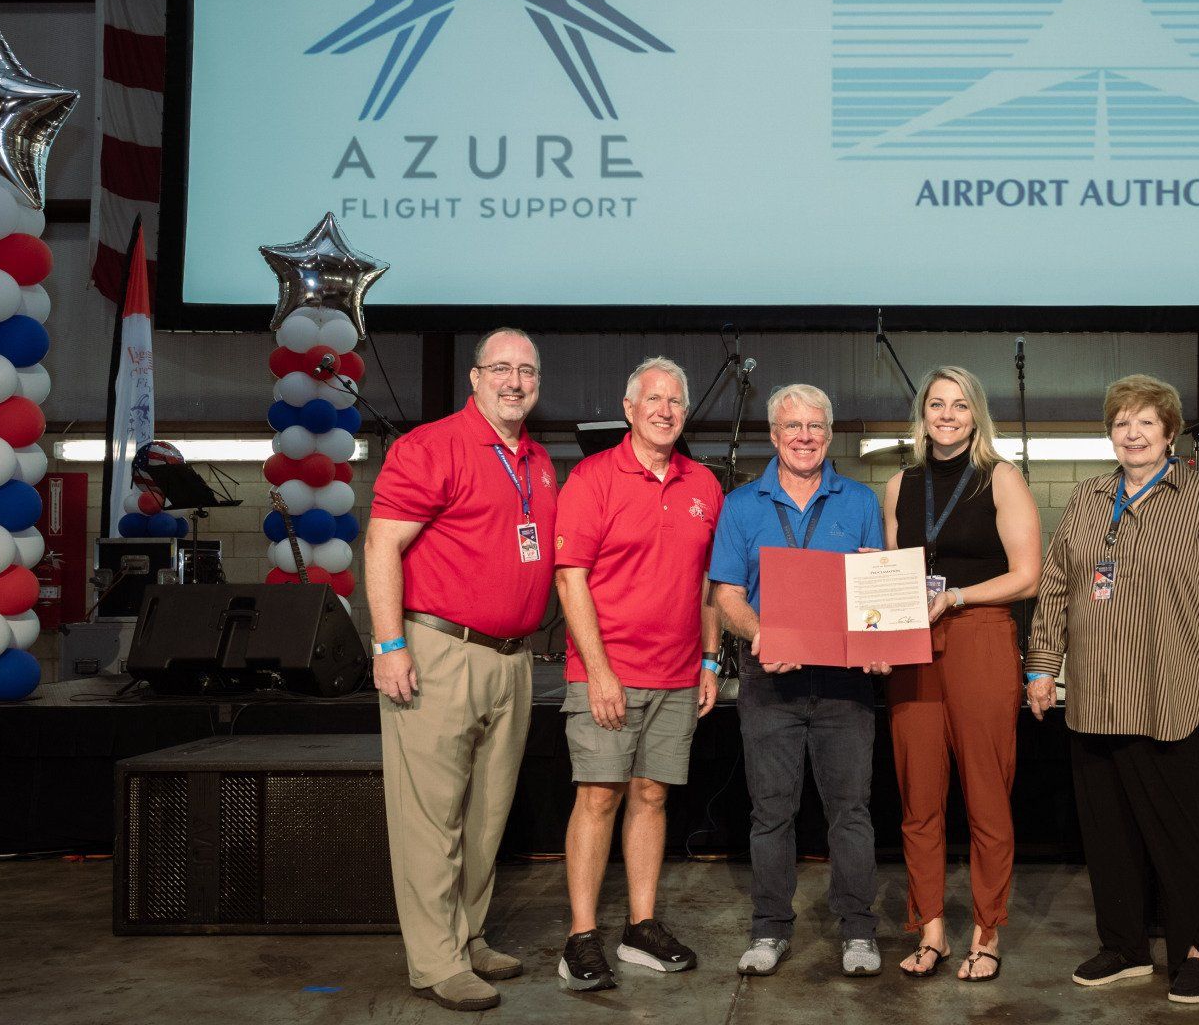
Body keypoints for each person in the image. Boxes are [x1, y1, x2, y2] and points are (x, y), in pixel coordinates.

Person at [1025, 373, 1199, 1006]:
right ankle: (1124, 947)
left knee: (1183, 839)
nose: (1132, 433)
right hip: (1096, 696)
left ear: (1171, 433)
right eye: (1121, 422)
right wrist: (1042, 667)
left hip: (1175, 696)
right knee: (1109, 835)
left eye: (1146, 422)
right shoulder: (1089, 498)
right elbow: (1058, 586)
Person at [365, 328, 559, 1013]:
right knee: (431, 819)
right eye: (500, 368)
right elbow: (383, 545)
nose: (514, 381)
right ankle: (436, 961)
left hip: (512, 660)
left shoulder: (537, 461)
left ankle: (468, 936)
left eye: (526, 371)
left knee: (485, 818)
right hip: (440, 651)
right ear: (474, 379)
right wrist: (390, 647)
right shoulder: (431, 446)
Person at [552, 357, 725, 991]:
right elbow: (570, 579)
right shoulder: (593, 479)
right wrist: (598, 672)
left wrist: (709, 659)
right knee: (599, 796)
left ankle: (641, 926)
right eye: (653, 399)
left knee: (652, 796)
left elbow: (710, 583)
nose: (665, 410)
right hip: (608, 672)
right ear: (629, 409)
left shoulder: (704, 484)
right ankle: (581, 936)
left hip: (678, 675)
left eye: (676, 401)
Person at [707, 383, 887, 978]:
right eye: (792, 426)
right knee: (771, 813)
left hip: (844, 687)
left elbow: (875, 590)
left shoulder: (859, 500)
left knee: (851, 811)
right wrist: (761, 634)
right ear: (773, 434)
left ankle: (858, 932)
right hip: (770, 683)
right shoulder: (741, 505)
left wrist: (879, 638)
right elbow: (727, 595)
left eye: (814, 425)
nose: (804, 436)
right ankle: (769, 930)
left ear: (829, 434)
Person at [881, 367, 1041, 982]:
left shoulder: (999, 477)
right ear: (922, 413)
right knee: (919, 797)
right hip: (914, 646)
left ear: (976, 416)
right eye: (936, 404)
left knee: (985, 794)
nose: (946, 415)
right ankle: (931, 932)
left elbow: (1027, 575)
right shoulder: (900, 484)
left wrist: (958, 598)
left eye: (959, 405)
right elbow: (897, 570)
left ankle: (986, 931)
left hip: (979, 637)